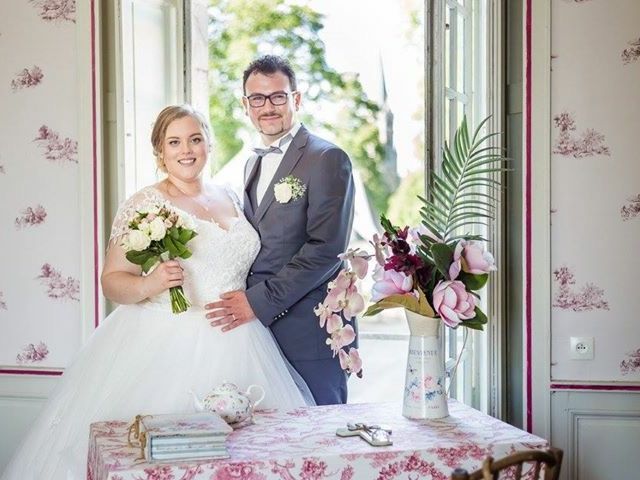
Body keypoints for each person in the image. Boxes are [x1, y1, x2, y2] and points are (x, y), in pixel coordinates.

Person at [1, 105, 309, 480]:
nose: (187, 150)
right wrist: (151, 283)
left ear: (209, 144)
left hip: (242, 336)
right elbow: (112, 280)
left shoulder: (230, 195)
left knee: (246, 458)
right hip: (167, 339)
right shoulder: (145, 205)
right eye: (174, 142)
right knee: (167, 460)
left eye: (195, 139)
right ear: (159, 151)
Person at [205, 55, 356, 405]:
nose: (267, 107)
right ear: (245, 105)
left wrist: (255, 303)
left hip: (308, 332)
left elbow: (326, 250)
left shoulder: (327, 158)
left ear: (296, 99)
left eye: (277, 96)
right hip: (256, 336)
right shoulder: (250, 162)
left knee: (317, 440)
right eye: (257, 98)